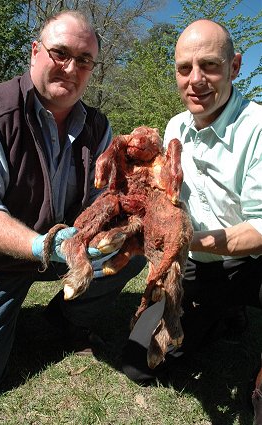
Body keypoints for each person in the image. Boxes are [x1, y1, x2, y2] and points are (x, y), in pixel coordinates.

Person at [0, 10, 146, 403]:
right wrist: (51, 245)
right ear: (34, 52)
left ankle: (65, 318)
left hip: (68, 250)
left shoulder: (98, 126)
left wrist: (133, 215)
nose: (70, 68)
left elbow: (105, 198)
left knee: (133, 248)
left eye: (83, 60)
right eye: (60, 53)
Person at [121, 19, 262, 421]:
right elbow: (166, 200)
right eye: (185, 68)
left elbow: (260, 228)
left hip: (253, 263)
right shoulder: (175, 127)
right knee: (138, 364)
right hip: (196, 268)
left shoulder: (257, 128)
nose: (195, 80)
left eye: (210, 66)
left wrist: (182, 241)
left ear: (234, 66)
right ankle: (221, 314)